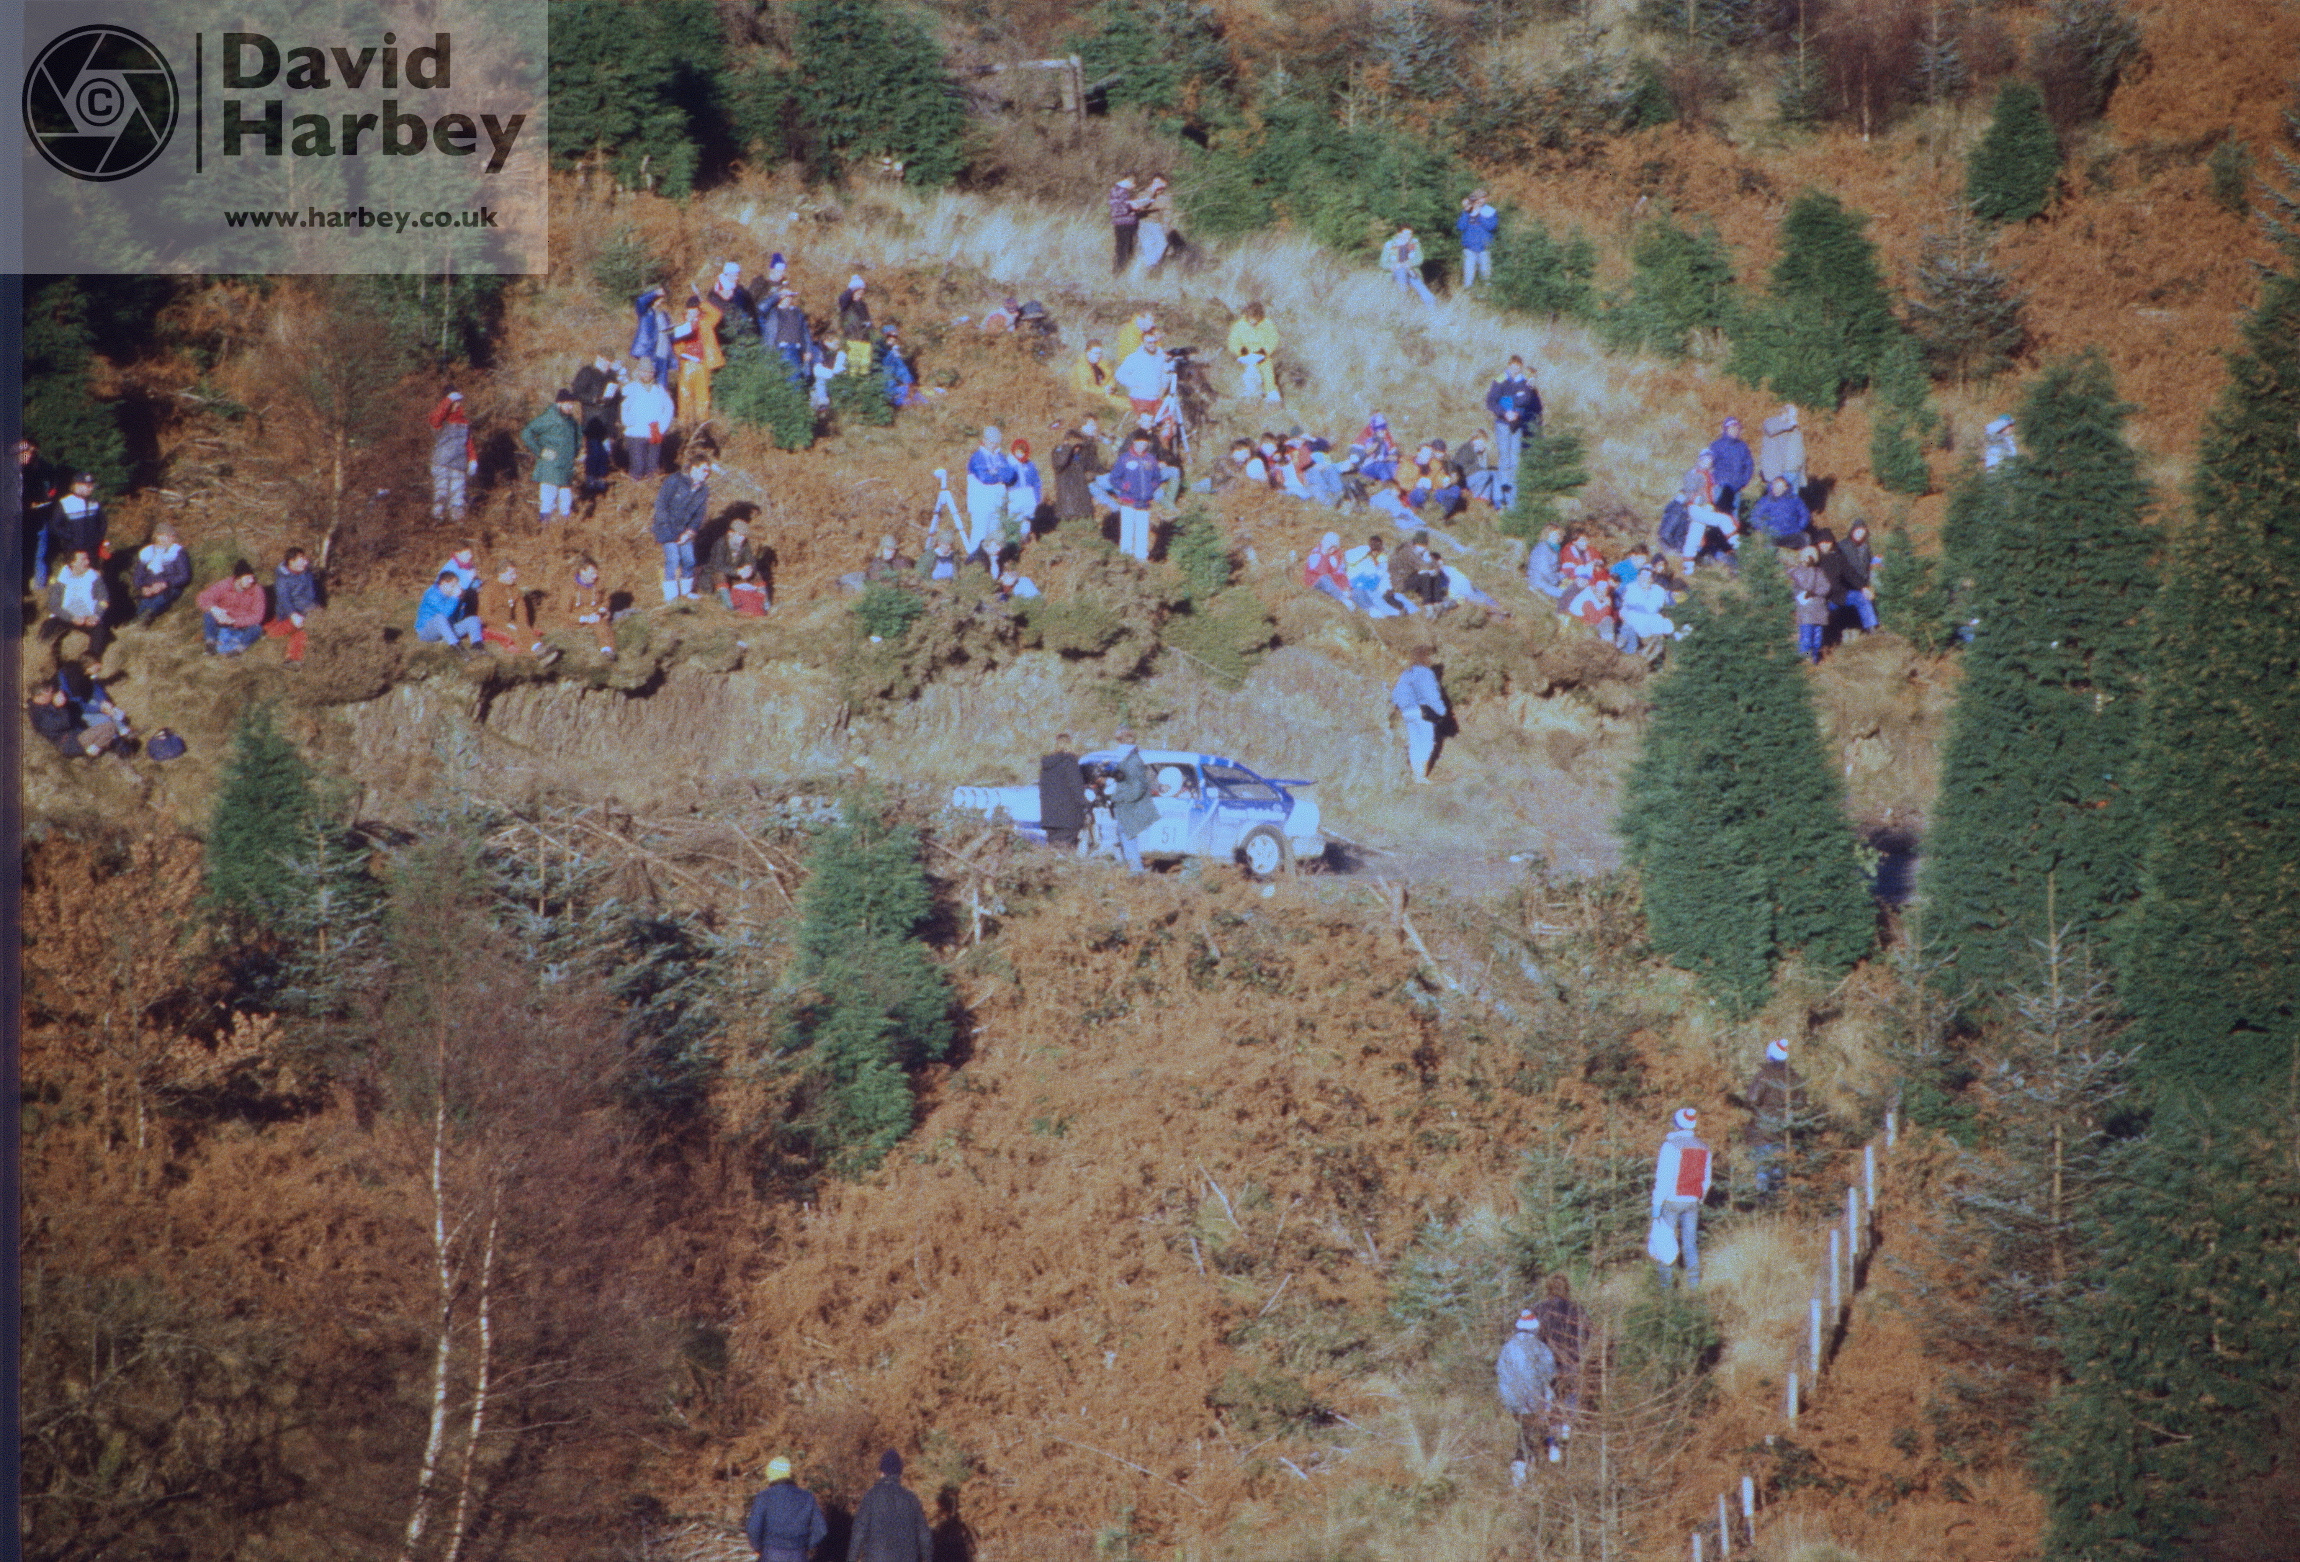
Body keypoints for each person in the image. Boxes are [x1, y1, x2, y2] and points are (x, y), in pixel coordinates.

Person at [1496, 1309, 1560, 1485]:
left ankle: (1525, 1467)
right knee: (1527, 1434)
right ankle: (1521, 1470)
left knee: (1525, 1431)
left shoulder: (1507, 1348)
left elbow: (1501, 1373)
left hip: (1512, 1401)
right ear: (1535, 1329)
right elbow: (1550, 1374)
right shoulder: (1541, 1348)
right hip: (1534, 1401)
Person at [1651, 1106, 1712, 1289]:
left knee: (1664, 1243)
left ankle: (1666, 1288)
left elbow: (1664, 1177)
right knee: (1690, 1243)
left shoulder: (1670, 1146)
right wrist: (1699, 1198)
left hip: (1671, 1200)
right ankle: (1694, 1286)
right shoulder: (1704, 1147)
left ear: (1676, 1124)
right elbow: (1707, 1179)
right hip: (1692, 1200)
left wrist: (1656, 1203)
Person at [1744, 1038, 1810, 1204]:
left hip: (1763, 1133)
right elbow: (1802, 1103)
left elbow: (1752, 1098)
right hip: (1785, 1134)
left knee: (1763, 1174)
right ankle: (1779, 1208)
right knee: (1780, 1175)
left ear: (1769, 1055)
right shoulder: (1795, 1077)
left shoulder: (1764, 1075)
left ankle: (1764, 1210)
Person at [1529, 1275, 1589, 1451]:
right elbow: (1586, 1335)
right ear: (1567, 1288)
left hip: (1546, 1364)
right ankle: (1567, 1428)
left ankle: (1552, 1441)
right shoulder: (1577, 1310)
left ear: (1548, 1289)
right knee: (1571, 1394)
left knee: (1548, 1400)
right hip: (1571, 1361)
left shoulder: (1538, 1309)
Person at [848, 1450, 932, 1562]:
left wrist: (851, 1559)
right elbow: (924, 1536)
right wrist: (928, 1559)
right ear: (900, 1473)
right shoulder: (911, 1498)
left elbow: (858, 1533)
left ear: (881, 1472)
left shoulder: (871, 1496)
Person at [652, 451, 713, 602]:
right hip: (666, 528)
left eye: (708, 471)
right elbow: (661, 505)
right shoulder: (675, 480)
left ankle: (686, 592)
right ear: (693, 467)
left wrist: (690, 532)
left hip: (685, 532)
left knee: (689, 560)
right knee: (673, 560)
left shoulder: (703, 490)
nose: (706, 474)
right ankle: (671, 596)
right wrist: (670, 533)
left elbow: (699, 514)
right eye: (704, 470)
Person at [745, 1455, 826, 1562]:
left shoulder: (764, 1497)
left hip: (771, 1553)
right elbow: (821, 1530)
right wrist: (805, 1546)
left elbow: (753, 1529)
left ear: (771, 1475)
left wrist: (758, 1548)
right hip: (799, 1554)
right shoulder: (807, 1497)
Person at [521, 389, 583, 525]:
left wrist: (574, 454)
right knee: (548, 501)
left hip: (566, 468)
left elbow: (578, 439)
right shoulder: (549, 417)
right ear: (558, 403)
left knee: (566, 502)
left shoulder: (571, 421)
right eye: (567, 403)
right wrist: (540, 451)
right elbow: (527, 433)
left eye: (572, 404)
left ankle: (562, 533)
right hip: (550, 467)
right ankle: (546, 534)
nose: (570, 406)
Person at [41, 549, 114, 660]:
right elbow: (53, 604)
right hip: (66, 617)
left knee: (100, 632)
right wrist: (71, 618)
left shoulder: (94, 577)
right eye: (83, 559)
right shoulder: (62, 578)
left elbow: (104, 599)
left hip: (88, 618)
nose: (87, 562)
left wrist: (96, 616)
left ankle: (90, 663)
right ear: (72, 562)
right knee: (48, 626)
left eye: (88, 558)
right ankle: (43, 659)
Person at [41, 471, 107, 592]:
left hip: (92, 548)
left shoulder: (95, 502)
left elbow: (102, 522)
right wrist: (69, 536)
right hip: (73, 548)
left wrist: (98, 537)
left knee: (91, 576)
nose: (90, 489)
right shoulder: (65, 503)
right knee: (73, 576)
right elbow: (54, 525)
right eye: (87, 486)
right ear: (77, 485)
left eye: (92, 485)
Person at [964, 428, 1023, 561]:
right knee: (979, 535)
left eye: (997, 442)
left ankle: (993, 565)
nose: (994, 445)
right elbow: (984, 477)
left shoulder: (1000, 456)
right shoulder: (977, 457)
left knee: (995, 537)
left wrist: (995, 473)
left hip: (997, 503)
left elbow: (1011, 475)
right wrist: (999, 475)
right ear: (984, 440)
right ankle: (975, 564)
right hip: (981, 503)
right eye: (991, 441)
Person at [1106, 729, 1157, 875]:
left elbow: (1111, 773)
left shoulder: (1117, 755)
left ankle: (1135, 869)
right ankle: (1133, 866)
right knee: (1129, 834)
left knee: (1125, 834)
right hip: (1136, 799)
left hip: (1123, 799)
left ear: (1119, 739)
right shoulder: (1139, 755)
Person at [1392, 647, 1447, 784]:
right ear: (1426, 657)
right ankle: (1421, 776)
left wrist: (1402, 706)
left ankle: (1416, 775)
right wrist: (1441, 711)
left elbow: (1396, 693)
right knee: (1426, 743)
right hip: (1422, 712)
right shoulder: (1426, 673)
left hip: (1407, 712)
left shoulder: (1407, 673)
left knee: (1415, 743)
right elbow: (1431, 695)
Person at [571, 352, 623, 491]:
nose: (608, 364)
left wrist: (616, 421)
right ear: (598, 358)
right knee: (593, 451)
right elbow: (576, 393)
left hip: (608, 421)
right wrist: (594, 398)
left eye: (610, 361)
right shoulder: (587, 372)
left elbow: (616, 402)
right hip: (592, 420)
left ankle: (601, 480)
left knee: (605, 452)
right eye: (606, 360)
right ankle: (590, 479)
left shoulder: (612, 375)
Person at [1109, 433, 1163, 562]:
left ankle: (1141, 559)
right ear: (1134, 442)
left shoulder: (1151, 459)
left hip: (1144, 502)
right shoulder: (1124, 459)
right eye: (1139, 443)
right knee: (1127, 532)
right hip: (1128, 502)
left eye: (1145, 443)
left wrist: (1152, 487)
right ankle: (1125, 559)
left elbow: (1157, 477)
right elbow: (1114, 478)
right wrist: (1125, 486)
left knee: (1142, 532)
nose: (1142, 446)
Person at [196, 560, 265, 656]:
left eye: (252, 578)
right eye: (247, 578)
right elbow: (203, 597)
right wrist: (214, 609)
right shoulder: (225, 585)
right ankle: (210, 644)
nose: (251, 581)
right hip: (222, 619)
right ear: (238, 578)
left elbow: (257, 616)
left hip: (241, 624)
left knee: (256, 629)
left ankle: (237, 650)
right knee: (208, 615)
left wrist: (235, 621)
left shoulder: (257, 590)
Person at [620, 364, 676, 481]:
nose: (647, 374)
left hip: (655, 431)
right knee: (638, 466)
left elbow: (669, 408)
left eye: (650, 372)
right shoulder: (631, 388)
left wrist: (662, 426)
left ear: (653, 374)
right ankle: (636, 490)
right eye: (644, 371)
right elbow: (624, 407)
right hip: (636, 432)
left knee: (653, 467)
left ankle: (651, 490)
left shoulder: (659, 389)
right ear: (639, 372)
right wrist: (629, 422)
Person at [674, 294, 725, 420]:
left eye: (695, 309)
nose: (692, 312)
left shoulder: (705, 322)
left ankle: (703, 423)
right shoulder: (681, 324)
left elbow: (717, 314)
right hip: (686, 364)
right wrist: (680, 354)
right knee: (684, 394)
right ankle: (685, 425)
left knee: (703, 396)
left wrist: (701, 303)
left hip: (702, 364)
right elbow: (676, 345)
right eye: (690, 309)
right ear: (686, 310)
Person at [427, 390, 475, 521]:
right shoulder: (440, 422)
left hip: (459, 463)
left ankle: (457, 520)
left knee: (458, 492)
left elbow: (468, 442)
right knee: (441, 490)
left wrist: (472, 460)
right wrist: (447, 400)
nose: (458, 405)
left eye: (459, 402)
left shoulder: (464, 422)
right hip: (441, 462)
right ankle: (437, 517)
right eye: (455, 402)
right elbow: (435, 418)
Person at [266, 547, 319, 666]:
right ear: (291, 561)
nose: (305, 563)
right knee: (301, 627)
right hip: (289, 614)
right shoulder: (283, 580)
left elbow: (311, 593)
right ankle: (272, 635)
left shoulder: (306, 573)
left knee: (302, 630)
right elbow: (284, 599)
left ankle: (293, 660)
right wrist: (293, 614)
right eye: (301, 561)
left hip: (308, 611)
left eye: (304, 560)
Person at [130, 524, 192, 623]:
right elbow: (138, 576)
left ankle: (147, 618)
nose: (165, 538)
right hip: (150, 587)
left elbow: (184, 576)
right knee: (143, 604)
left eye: (169, 536)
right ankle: (135, 625)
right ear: (156, 536)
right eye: (162, 535)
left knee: (158, 602)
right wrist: (143, 587)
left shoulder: (177, 552)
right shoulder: (147, 552)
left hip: (169, 588)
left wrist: (165, 584)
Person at [1226, 302, 1283, 405]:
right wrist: (1240, 350)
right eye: (1251, 318)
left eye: (1256, 318)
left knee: (1268, 373)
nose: (1253, 321)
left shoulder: (1267, 324)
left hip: (1262, 356)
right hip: (1245, 356)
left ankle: (1272, 396)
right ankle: (1250, 397)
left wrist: (1265, 351)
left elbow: (1273, 339)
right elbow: (1233, 342)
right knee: (1247, 375)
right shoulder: (1239, 325)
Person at [415, 568, 485, 650]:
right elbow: (445, 614)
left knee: (474, 619)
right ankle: (457, 647)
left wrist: (461, 605)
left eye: (456, 585)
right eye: (452, 586)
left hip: (447, 630)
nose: (455, 588)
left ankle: (477, 645)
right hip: (427, 632)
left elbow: (457, 618)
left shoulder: (451, 595)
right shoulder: (431, 595)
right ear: (443, 583)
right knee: (439, 618)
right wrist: (455, 597)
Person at [1038, 736, 1087, 852]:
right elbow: (1077, 788)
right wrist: (1086, 805)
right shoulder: (1069, 762)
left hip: (1050, 816)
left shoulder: (1046, 766)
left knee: (1054, 851)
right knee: (1067, 851)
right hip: (1069, 816)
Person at [1053, 420, 1106, 524]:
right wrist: (1067, 447)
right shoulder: (1059, 452)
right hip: (1068, 507)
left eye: (1079, 445)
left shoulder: (1080, 456)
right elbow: (1060, 463)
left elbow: (1093, 467)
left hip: (1083, 504)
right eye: (1075, 445)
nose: (1078, 448)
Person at [1113, 338, 1172, 422]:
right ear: (1143, 342)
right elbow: (1119, 375)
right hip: (1140, 398)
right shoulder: (1134, 357)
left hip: (1156, 399)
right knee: (1147, 423)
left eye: (1154, 342)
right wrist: (1136, 384)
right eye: (1149, 342)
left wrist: (1164, 387)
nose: (1152, 344)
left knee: (1169, 421)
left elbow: (1166, 374)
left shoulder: (1161, 357)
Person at [1789, 545, 1832, 662]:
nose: (1810, 558)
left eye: (1813, 555)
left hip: (1820, 610)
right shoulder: (1797, 571)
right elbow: (1806, 585)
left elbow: (1826, 588)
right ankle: (1806, 659)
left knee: (1817, 640)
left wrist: (1815, 592)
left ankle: (1814, 659)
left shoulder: (1820, 572)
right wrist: (1812, 570)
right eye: (1808, 555)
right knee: (1807, 639)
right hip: (1806, 612)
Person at [1834, 522, 1878, 632]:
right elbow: (1843, 570)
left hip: (1862, 582)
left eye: (1863, 532)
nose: (1860, 535)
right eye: (1858, 531)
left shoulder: (1865, 547)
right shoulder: (1843, 545)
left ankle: (1871, 629)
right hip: (1847, 584)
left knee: (1865, 598)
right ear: (1852, 531)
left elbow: (1868, 565)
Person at [1345, 536, 1404, 617]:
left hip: (1369, 583)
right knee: (1371, 594)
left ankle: (1392, 611)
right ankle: (1383, 611)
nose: (1374, 553)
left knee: (1374, 594)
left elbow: (1380, 574)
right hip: (1358, 584)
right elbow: (1351, 560)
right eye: (1373, 550)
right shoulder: (1361, 555)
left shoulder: (1377, 559)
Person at [705, 518, 758, 607]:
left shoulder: (745, 544)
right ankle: (728, 606)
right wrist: (737, 571)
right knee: (720, 575)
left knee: (757, 575)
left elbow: (751, 560)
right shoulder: (721, 543)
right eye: (740, 535)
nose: (743, 538)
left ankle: (764, 605)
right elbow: (718, 566)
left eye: (744, 536)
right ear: (731, 533)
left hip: (735, 575)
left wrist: (749, 569)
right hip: (714, 578)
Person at [1706, 417, 1755, 513]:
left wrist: (1743, 481)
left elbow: (1749, 466)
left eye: (1737, 428)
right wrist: (1716, 481)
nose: (1735, 430)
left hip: (1736, 488)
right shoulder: (1716, 445)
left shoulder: (1742, 446)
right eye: (1732, 428)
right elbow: (1709, 464)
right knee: (1717, 514)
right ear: (1726, 429)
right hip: (1720, 488)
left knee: (1733, 518)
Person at [571, 556, 617, 656]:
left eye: (596, 573)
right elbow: (563, 613)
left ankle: (607, 650)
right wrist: (584, 618)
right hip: (578, 620)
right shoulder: (570, 588)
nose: (595, 576)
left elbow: (606, 599)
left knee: (601, 624)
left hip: (595, 616)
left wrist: (603, 609)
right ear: (582, 571)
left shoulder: (598, 583)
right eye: (592, 573)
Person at [631, 287, 675, 389]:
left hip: (663, 355)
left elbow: (669, 334)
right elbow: (640, 301)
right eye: (659, 298)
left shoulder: (664, 315)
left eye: (662, 298)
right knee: (646, 385)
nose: (661, 301)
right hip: (650, 355)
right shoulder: (645, 312)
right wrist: (654, 292)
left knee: (661, 388)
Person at [1381, 225, 1435, 306]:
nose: (1408, 236)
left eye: (1410, 234)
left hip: (1411, 272)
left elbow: (1419, 259)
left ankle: (1433, 310)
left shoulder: (1415, 243)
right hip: (1395, 272)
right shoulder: (1389, 244)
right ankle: (1403, 303)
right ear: (1398, 234)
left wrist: (1410, 263)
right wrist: (1393, 266)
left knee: (1424, 291)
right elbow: (1383, 263)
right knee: (1401, 272)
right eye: (1405, 234)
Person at [1751, 476, 1812, 546]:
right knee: (1767, 545)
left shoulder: (1795, 499)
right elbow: (1755, 516)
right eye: (1775, 487)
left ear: (1785, 488)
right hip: (1773, 535)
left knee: (1806, 539)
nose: (1776, 490)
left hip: (1792, 533)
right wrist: (1766, 529)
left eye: (1780, 488)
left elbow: (1805, 514)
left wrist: (1799, 527)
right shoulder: (1766, 500)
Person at [1457, 190, 1499, 290]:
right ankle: (1467, 294)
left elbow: (1492, 227)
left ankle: (1487, 293)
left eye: (1483, 198)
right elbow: (1460, 227)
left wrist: (1479, 215)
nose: (1480, 200)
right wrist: (1467, 212)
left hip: (1484, 247)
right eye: (1478, 198)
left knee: (1486, 274)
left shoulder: (1490, 211)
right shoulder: (1467, 211)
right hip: (1469, 248)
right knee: (1468, 273)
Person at [1759, 404, 1806, 493]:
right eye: (1793, 414)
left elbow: (1799, 450)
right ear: (1784, 413)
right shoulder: (1772, 422)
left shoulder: (1794, 428)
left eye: (1795, 415)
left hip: (1794, 471)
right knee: (1776, 499)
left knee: (1792, 501)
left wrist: (1802, 475)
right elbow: (1771, 429)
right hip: (1779, 472)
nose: (1795, 417)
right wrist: (1789, 424)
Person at [1303, 531, 1354, 608]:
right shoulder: (1316, 553)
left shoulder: (1337, 555)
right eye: (1330, 546)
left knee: (1349, 582)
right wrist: (1325, 554)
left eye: (1334, 547)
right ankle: (1342, 598)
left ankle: (1344, 595)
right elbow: (1319, 571)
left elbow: (1340, 573)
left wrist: (1345, 587)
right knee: (1325, 579)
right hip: (1315, 580)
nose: (1332, 549)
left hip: (1331, 581)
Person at [1134, 174, 1172, 273]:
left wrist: (1166, 230)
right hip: (1143, 222)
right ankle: (1146, 268)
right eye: (1156, 182)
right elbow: (1140, 205)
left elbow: (1167, 215)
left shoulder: (1166, 198)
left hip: (1157, 224)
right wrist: (1152, 191)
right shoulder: (1144, 193)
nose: (1159, 185)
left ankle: (1150, 266)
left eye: (1161, 183)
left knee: (1162, 244)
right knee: (1148, 245)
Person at [1069, 340, 1125, 405]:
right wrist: (1102, 390)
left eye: (1100, 353)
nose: (1099, 356)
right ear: (1088, 353)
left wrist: (1111, 387)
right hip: (1086, 400)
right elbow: (1084, 388)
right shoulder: (1081, 368)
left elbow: (1111, 379)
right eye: (1096, 353)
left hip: (1105, 396)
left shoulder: (1103, 364)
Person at [1527, 526, 1567, 610]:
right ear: (1547, 534)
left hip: (1550, 580)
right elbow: (1545, 571)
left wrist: (1562, 576)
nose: (1557, 536)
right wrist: (1558, 578)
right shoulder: (1542, 548)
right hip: (1540, 581)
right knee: (1566, 594)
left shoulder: (1554, 548)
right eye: (1554, 534)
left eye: (1559, 534)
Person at [1009, 437, 1047, 528]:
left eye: (1022, 452)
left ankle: (1025, 538)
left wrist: (1037, 497)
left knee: (1026, 519)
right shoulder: (1009, 463)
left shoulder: (1030, 465)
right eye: (1018, 452)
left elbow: (1036, 482)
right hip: (1014, 494)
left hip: (1028, 494)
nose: (1020, 455)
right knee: (1015, 518)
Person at [837, 275, 874, 365]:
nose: (860, 295)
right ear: (853, 291)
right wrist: (853, 288)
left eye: (862, 293)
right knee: (854, 364)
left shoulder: (862, 305)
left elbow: (867, 319)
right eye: (858, 292)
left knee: (864, 364)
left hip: (864, 339)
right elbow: (843, 297)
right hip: (851, 338)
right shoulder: (846, 304)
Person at [1108, 176, 1142, 274]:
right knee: (1123, 249)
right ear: (1129, 181)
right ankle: (1118, 272)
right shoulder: (1116, 190)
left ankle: (1122, 271)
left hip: (1128, 223)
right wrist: (1131, 206)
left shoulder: (1122, 191)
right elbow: (1116, 208)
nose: (1133, 187)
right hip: (1123, 223)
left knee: (1128, 249)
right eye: (1133, 185)